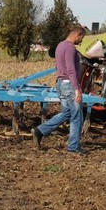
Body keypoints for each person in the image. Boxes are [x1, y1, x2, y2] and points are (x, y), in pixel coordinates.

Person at [31, 25, 87, 155]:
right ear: (77, 35)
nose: (81, 40)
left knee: (67, 113)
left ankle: (39, 131)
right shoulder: (70, 48)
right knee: (77, 116)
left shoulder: (60, 45)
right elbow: (71, 69)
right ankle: (73, 147)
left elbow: (58, 65)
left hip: (60, 83)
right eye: (82, 37)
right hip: (69, 85)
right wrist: (77, 89)